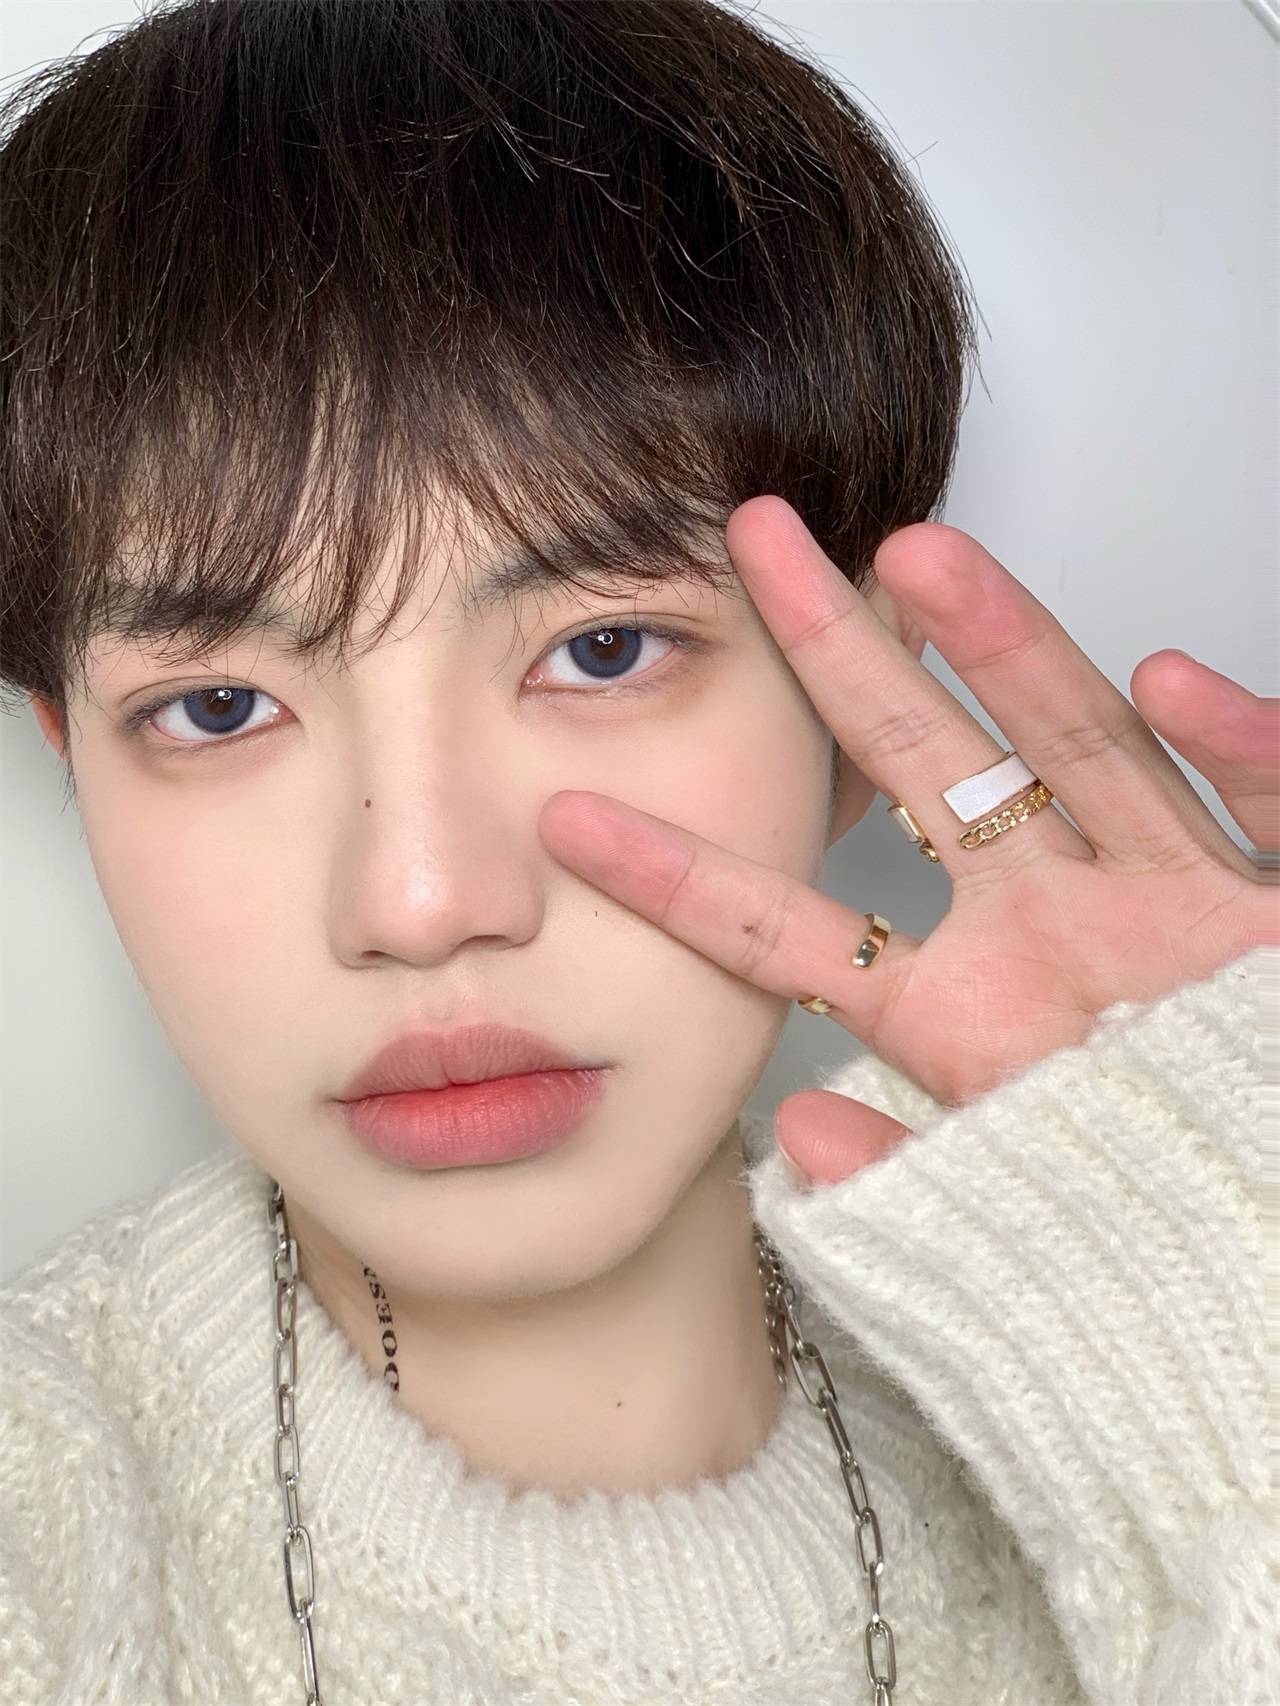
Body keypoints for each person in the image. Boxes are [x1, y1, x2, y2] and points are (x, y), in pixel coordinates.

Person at [0, 1, 1272, 1702]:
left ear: (855, 701)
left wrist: (1247, 1299)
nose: (422, 901)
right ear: (75, 765)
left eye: (602, 650)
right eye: (217, 705)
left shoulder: (1187, 1330)